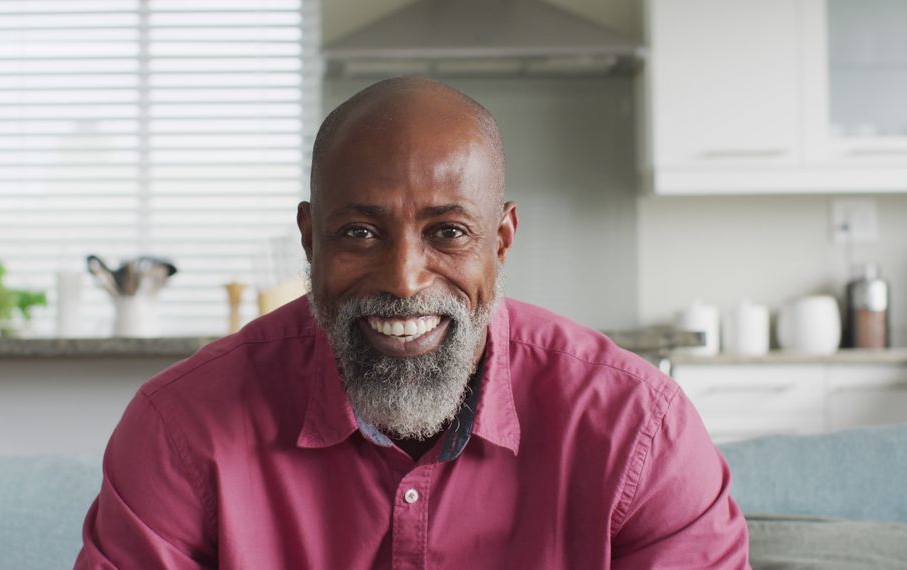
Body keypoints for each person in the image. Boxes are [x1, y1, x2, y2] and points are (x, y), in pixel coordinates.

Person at [75, 77, 750, 569]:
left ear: (502, 240)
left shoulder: (640, 428)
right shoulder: (181, 427)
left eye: (448, 231)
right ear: (310, 240)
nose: (403, 279)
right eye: (360, 232)